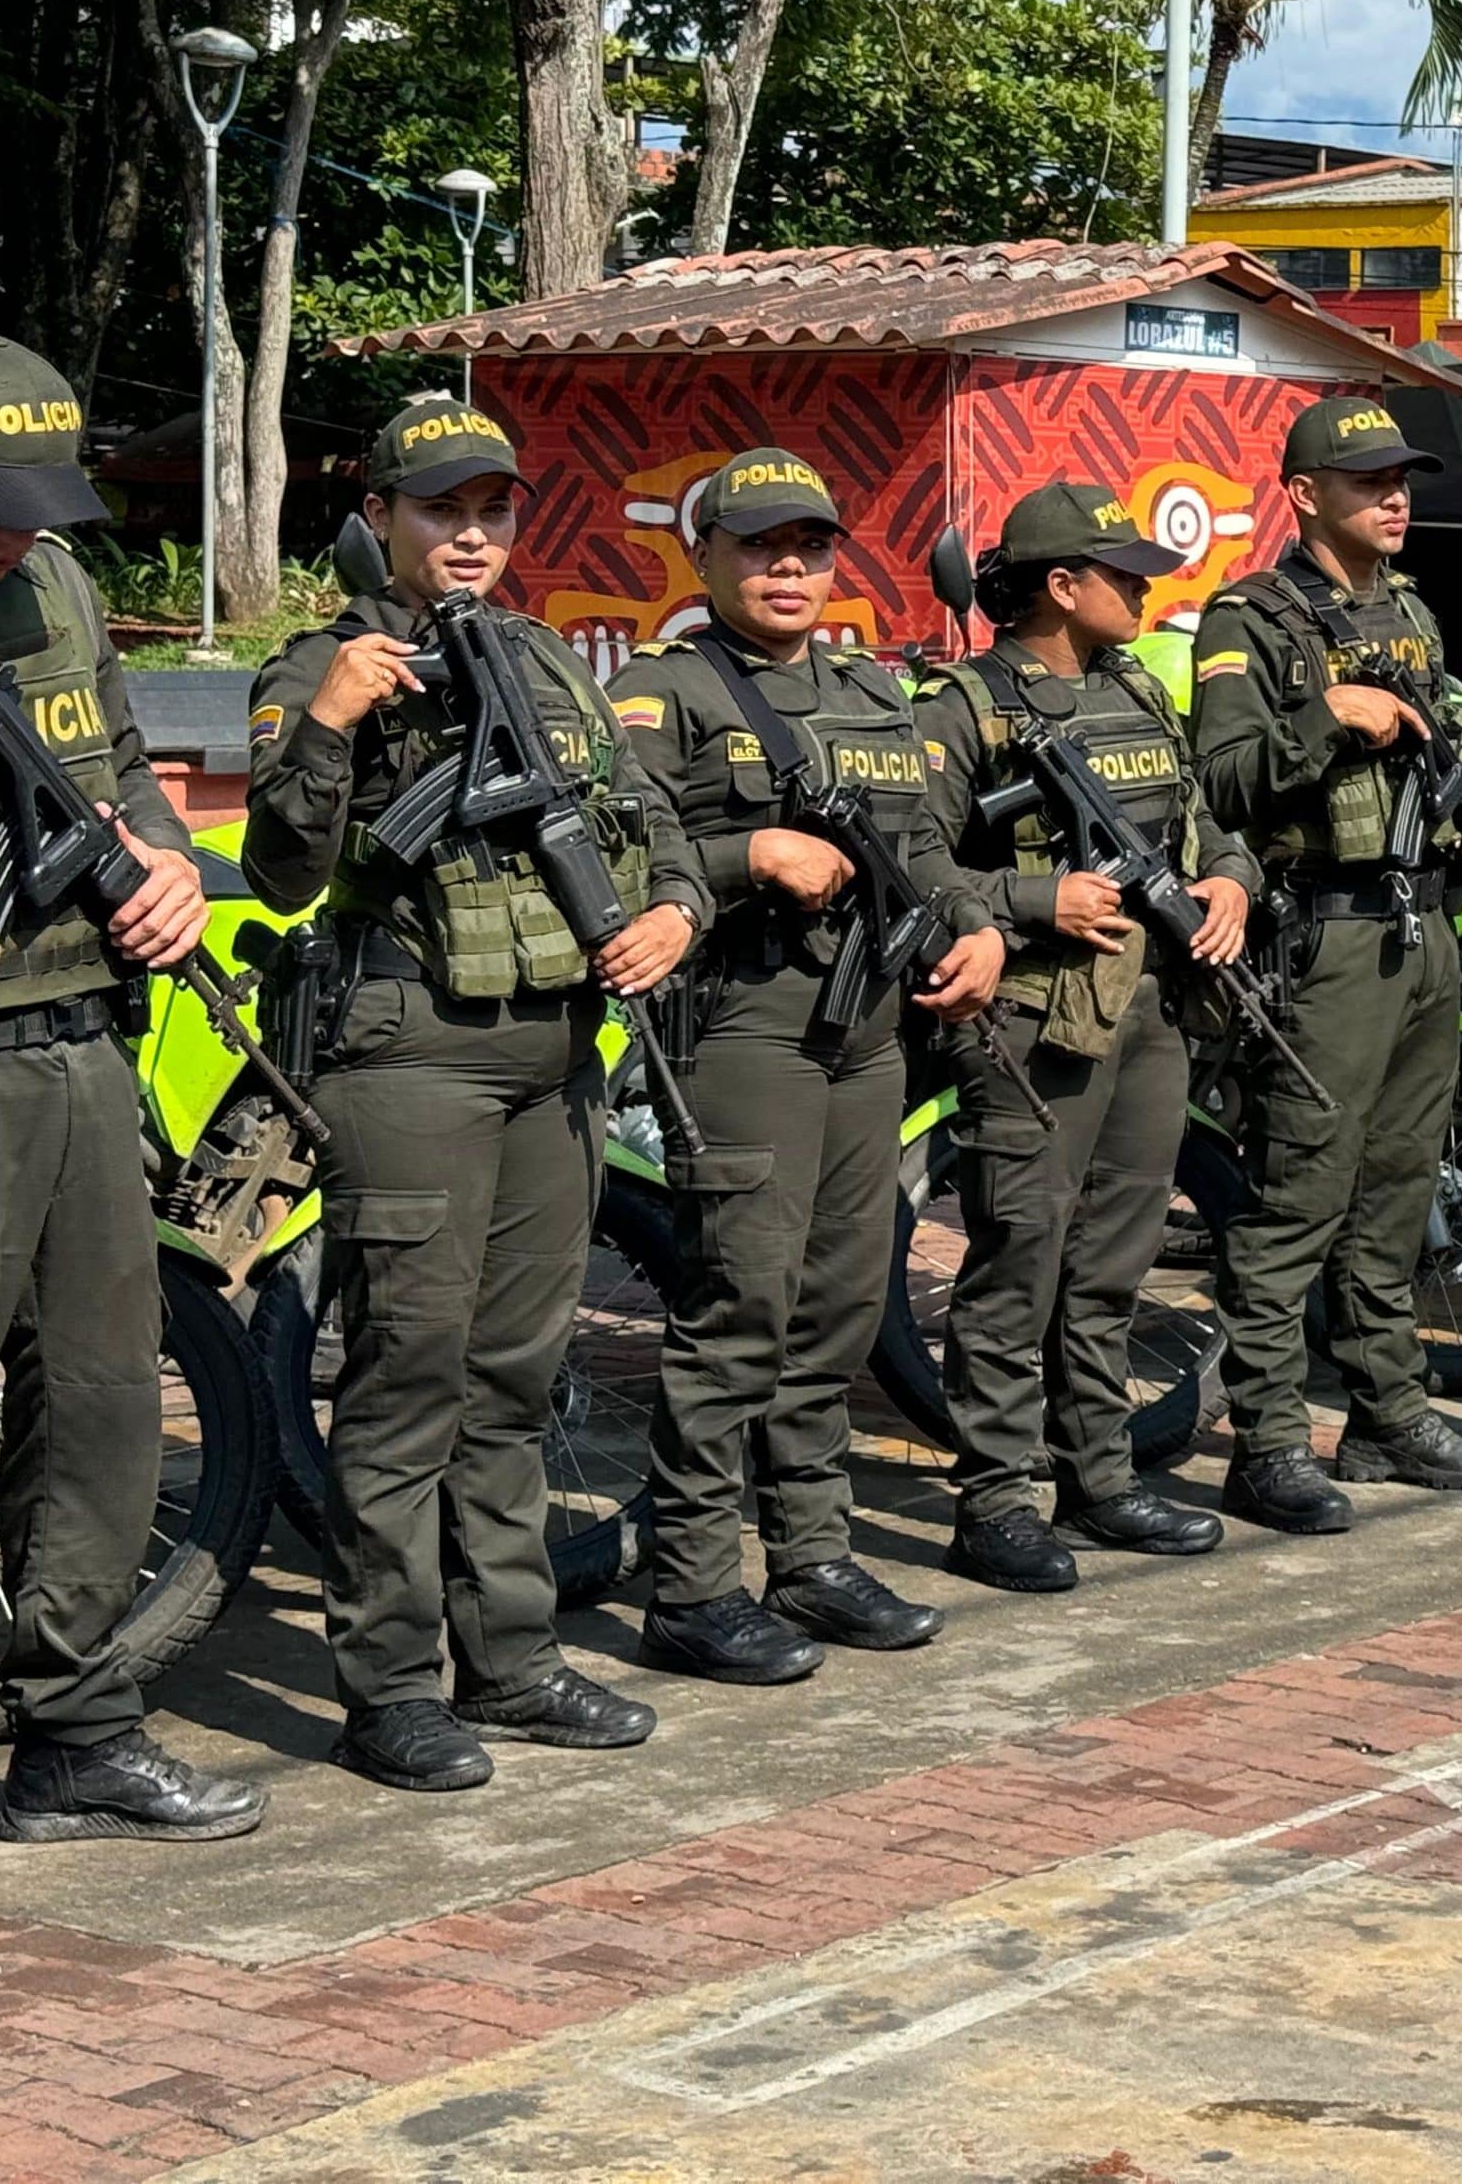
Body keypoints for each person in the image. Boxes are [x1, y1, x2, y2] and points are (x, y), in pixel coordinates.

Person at [247, 396, 687, 1791]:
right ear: (379, 514)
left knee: (510, 1375)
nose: (474, 533)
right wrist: (330, 721)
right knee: (408, 1381)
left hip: (553, 1059)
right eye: (444, 508)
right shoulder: (324, 664)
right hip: (411, 1053)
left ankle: (510, 1660)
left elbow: (648, 818)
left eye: (495, 510)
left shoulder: (548, 662)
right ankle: (388, 1685)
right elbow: (280, 871)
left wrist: (675, 911)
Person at [610, 453, 1009, 1676]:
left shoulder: (873, 693)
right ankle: (688, 1586)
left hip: (868, 1030)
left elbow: (922, 847)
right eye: (759, 547)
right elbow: (629, 841)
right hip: (745, 1027)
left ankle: (812, 1558)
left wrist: (978, 924)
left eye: (810, 547)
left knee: (838, 1306)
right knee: (742, 1305)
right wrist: (746, 861)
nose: (789, 569)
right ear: (706, 558)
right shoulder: (660, 692)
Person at [0, 339, 262, 1844]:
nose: (17, 532)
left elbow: (127, 769)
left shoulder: (58, 588)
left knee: (99, 1400)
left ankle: (77, 1730)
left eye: (34, 502)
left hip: (80, 1037)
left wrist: (162, 866)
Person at [1191, 400, 1462, 1509]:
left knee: (1395, 1190)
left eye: (1402, 479)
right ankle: (1269, 1440)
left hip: (1423, 924)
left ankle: (1386, 1414)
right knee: (1300, 1193)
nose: (1394, 498)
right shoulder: (1246, 620)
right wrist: (1328, 717)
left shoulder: (1418, 617)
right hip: (1324, 930)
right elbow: (1224, 784)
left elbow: (1453, 745)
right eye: (1366, 480)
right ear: (1303, 494)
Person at [919, 486, 1253, 1585]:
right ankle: (995, 1498)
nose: (1148, 588)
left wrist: (1228, 884)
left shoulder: (1134, 693)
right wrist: (1029, 902)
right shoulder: (963, 706)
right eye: (1124, 572)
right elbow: (913, 867)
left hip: (1147, 1005)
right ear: (1060, 585)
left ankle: (1098, 1478)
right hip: (1029, 1016)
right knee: (1020, 1253)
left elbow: (1208, 827)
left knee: (1113, 1260)